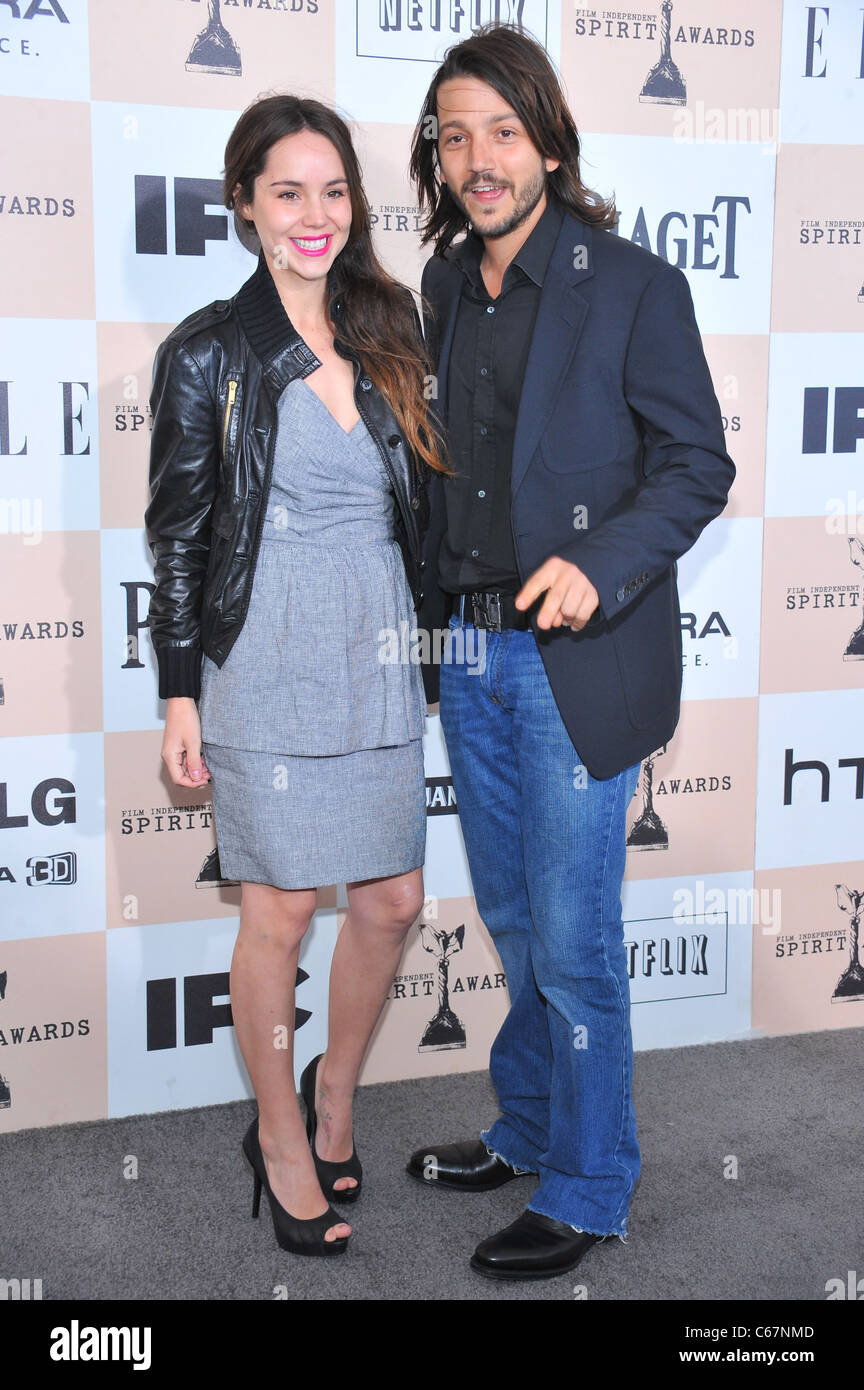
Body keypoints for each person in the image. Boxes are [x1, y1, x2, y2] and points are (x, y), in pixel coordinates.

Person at [406, 24, 736, 1280]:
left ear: (548, 140)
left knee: (576, 935)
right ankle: (529, 1126)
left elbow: (697, 462)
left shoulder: (637, 285)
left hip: (574, 668)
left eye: (500, 130)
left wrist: (601, 566)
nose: (477, 157)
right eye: (453, 134)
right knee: (511, 918)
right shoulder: (442, 288)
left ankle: (593, 1187)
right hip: (471, 658)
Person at [145, 94, 447, 1258]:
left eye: (333, 191)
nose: (315, 215)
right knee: (274, 918)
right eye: (288, 192)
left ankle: (333, 1097)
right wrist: (180, 693)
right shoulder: (209, 351)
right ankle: (279, 1143)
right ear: (245, 205)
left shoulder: (392, 327)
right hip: (261, 661)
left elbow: (422, 504)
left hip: (377, 650)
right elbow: (178, 538)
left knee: (392, 902)